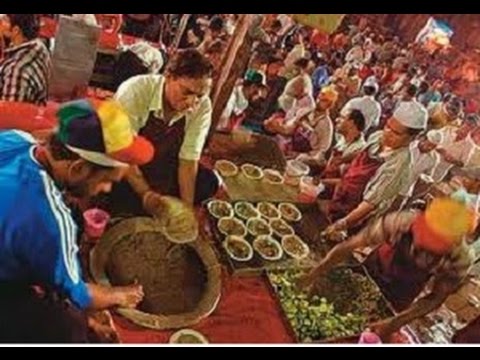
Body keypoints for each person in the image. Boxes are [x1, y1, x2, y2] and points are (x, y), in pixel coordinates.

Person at [0, 99, 154, 343]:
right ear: (79, 168)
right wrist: (117, 295)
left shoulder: (16, 140)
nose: (106, 189)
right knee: (67, 328)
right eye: (108, 181)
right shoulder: (49, 218)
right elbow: (78, 293)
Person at [300, 198, 476, 342]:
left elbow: (435, 298)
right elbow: (350, 245)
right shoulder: (403, 222)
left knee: (360, 332)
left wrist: (396, 321)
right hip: (373, 268)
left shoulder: (460, 259)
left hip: (401, 292)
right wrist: (315, 272)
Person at [114, 49, 218, 212]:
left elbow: (188, 160)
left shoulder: (203, 106)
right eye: (187, 92)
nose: (192, 102)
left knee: (208, 182)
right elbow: (124, 152)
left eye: (199, 95)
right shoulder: (135, 91)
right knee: (121, 196)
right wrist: (145, 193)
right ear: (168, 77)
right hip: (130, 161)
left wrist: (186, 210)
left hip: (164, 162)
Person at [323, 101, 428, 230]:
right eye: (388, 126)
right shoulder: (377, 136)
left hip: (353, 214)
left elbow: (369, 204)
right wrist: (343, 159)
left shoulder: (399, 165)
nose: (388, 133)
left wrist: (342, 224)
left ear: (413, 138)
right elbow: (361, 154)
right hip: (340, 196)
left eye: (396, 133)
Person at [0, 14, 51, 105]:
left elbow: (8, 114)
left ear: (16, 30)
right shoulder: (38, 46)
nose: (0, 22)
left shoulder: (15, 71)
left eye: (4, 20)